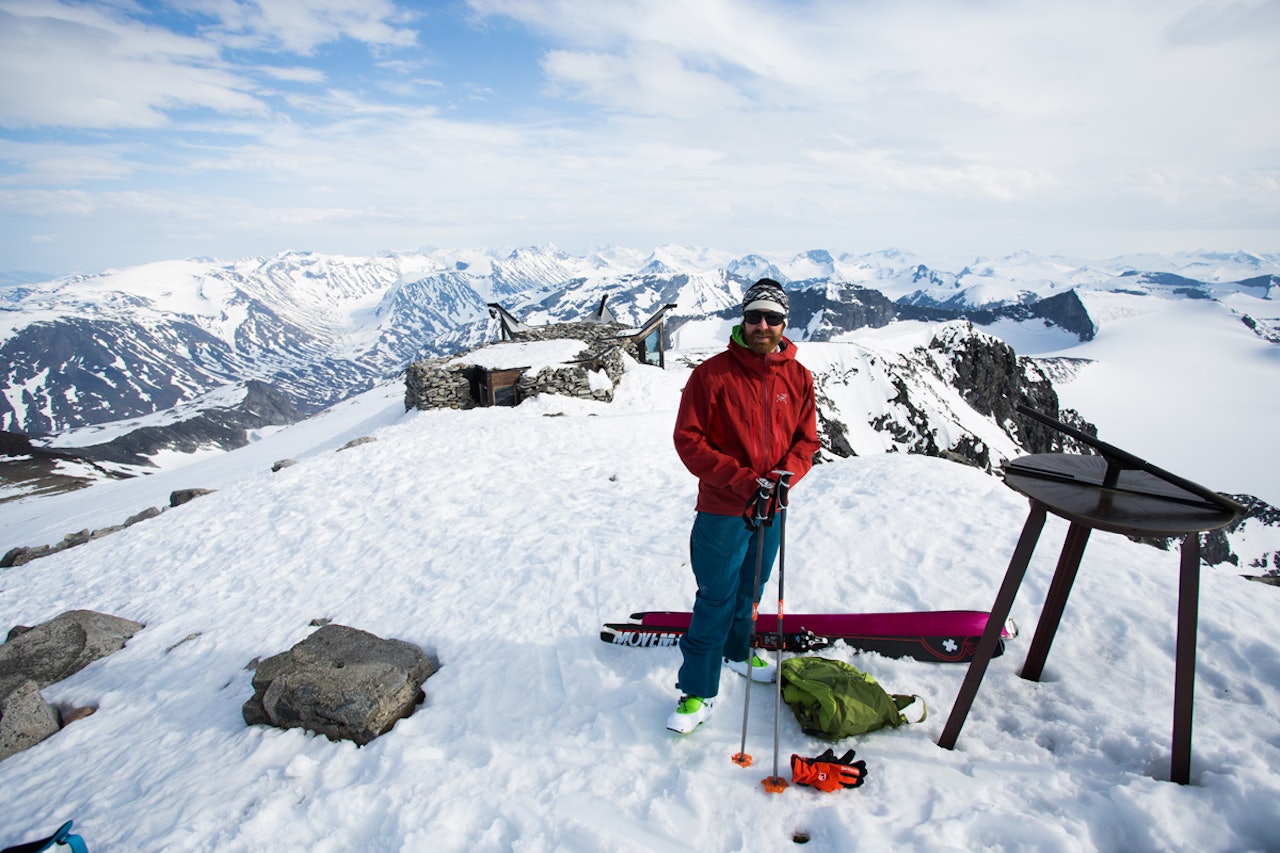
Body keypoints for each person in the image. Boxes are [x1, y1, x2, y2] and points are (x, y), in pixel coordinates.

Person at [667, 278, 820, 734]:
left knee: (751, 588)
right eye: (754, 316)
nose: (762, 326)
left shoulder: (797, 377)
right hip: (722, 507)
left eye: (772, 318)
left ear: (783, 323)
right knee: (715, 596)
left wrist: (783, 477)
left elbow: (806, 440)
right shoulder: (711, 375)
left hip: (772, 505)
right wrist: (742, 482)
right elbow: (688, 440)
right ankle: (697, 691)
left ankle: (737, 652)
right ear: (742, 319)